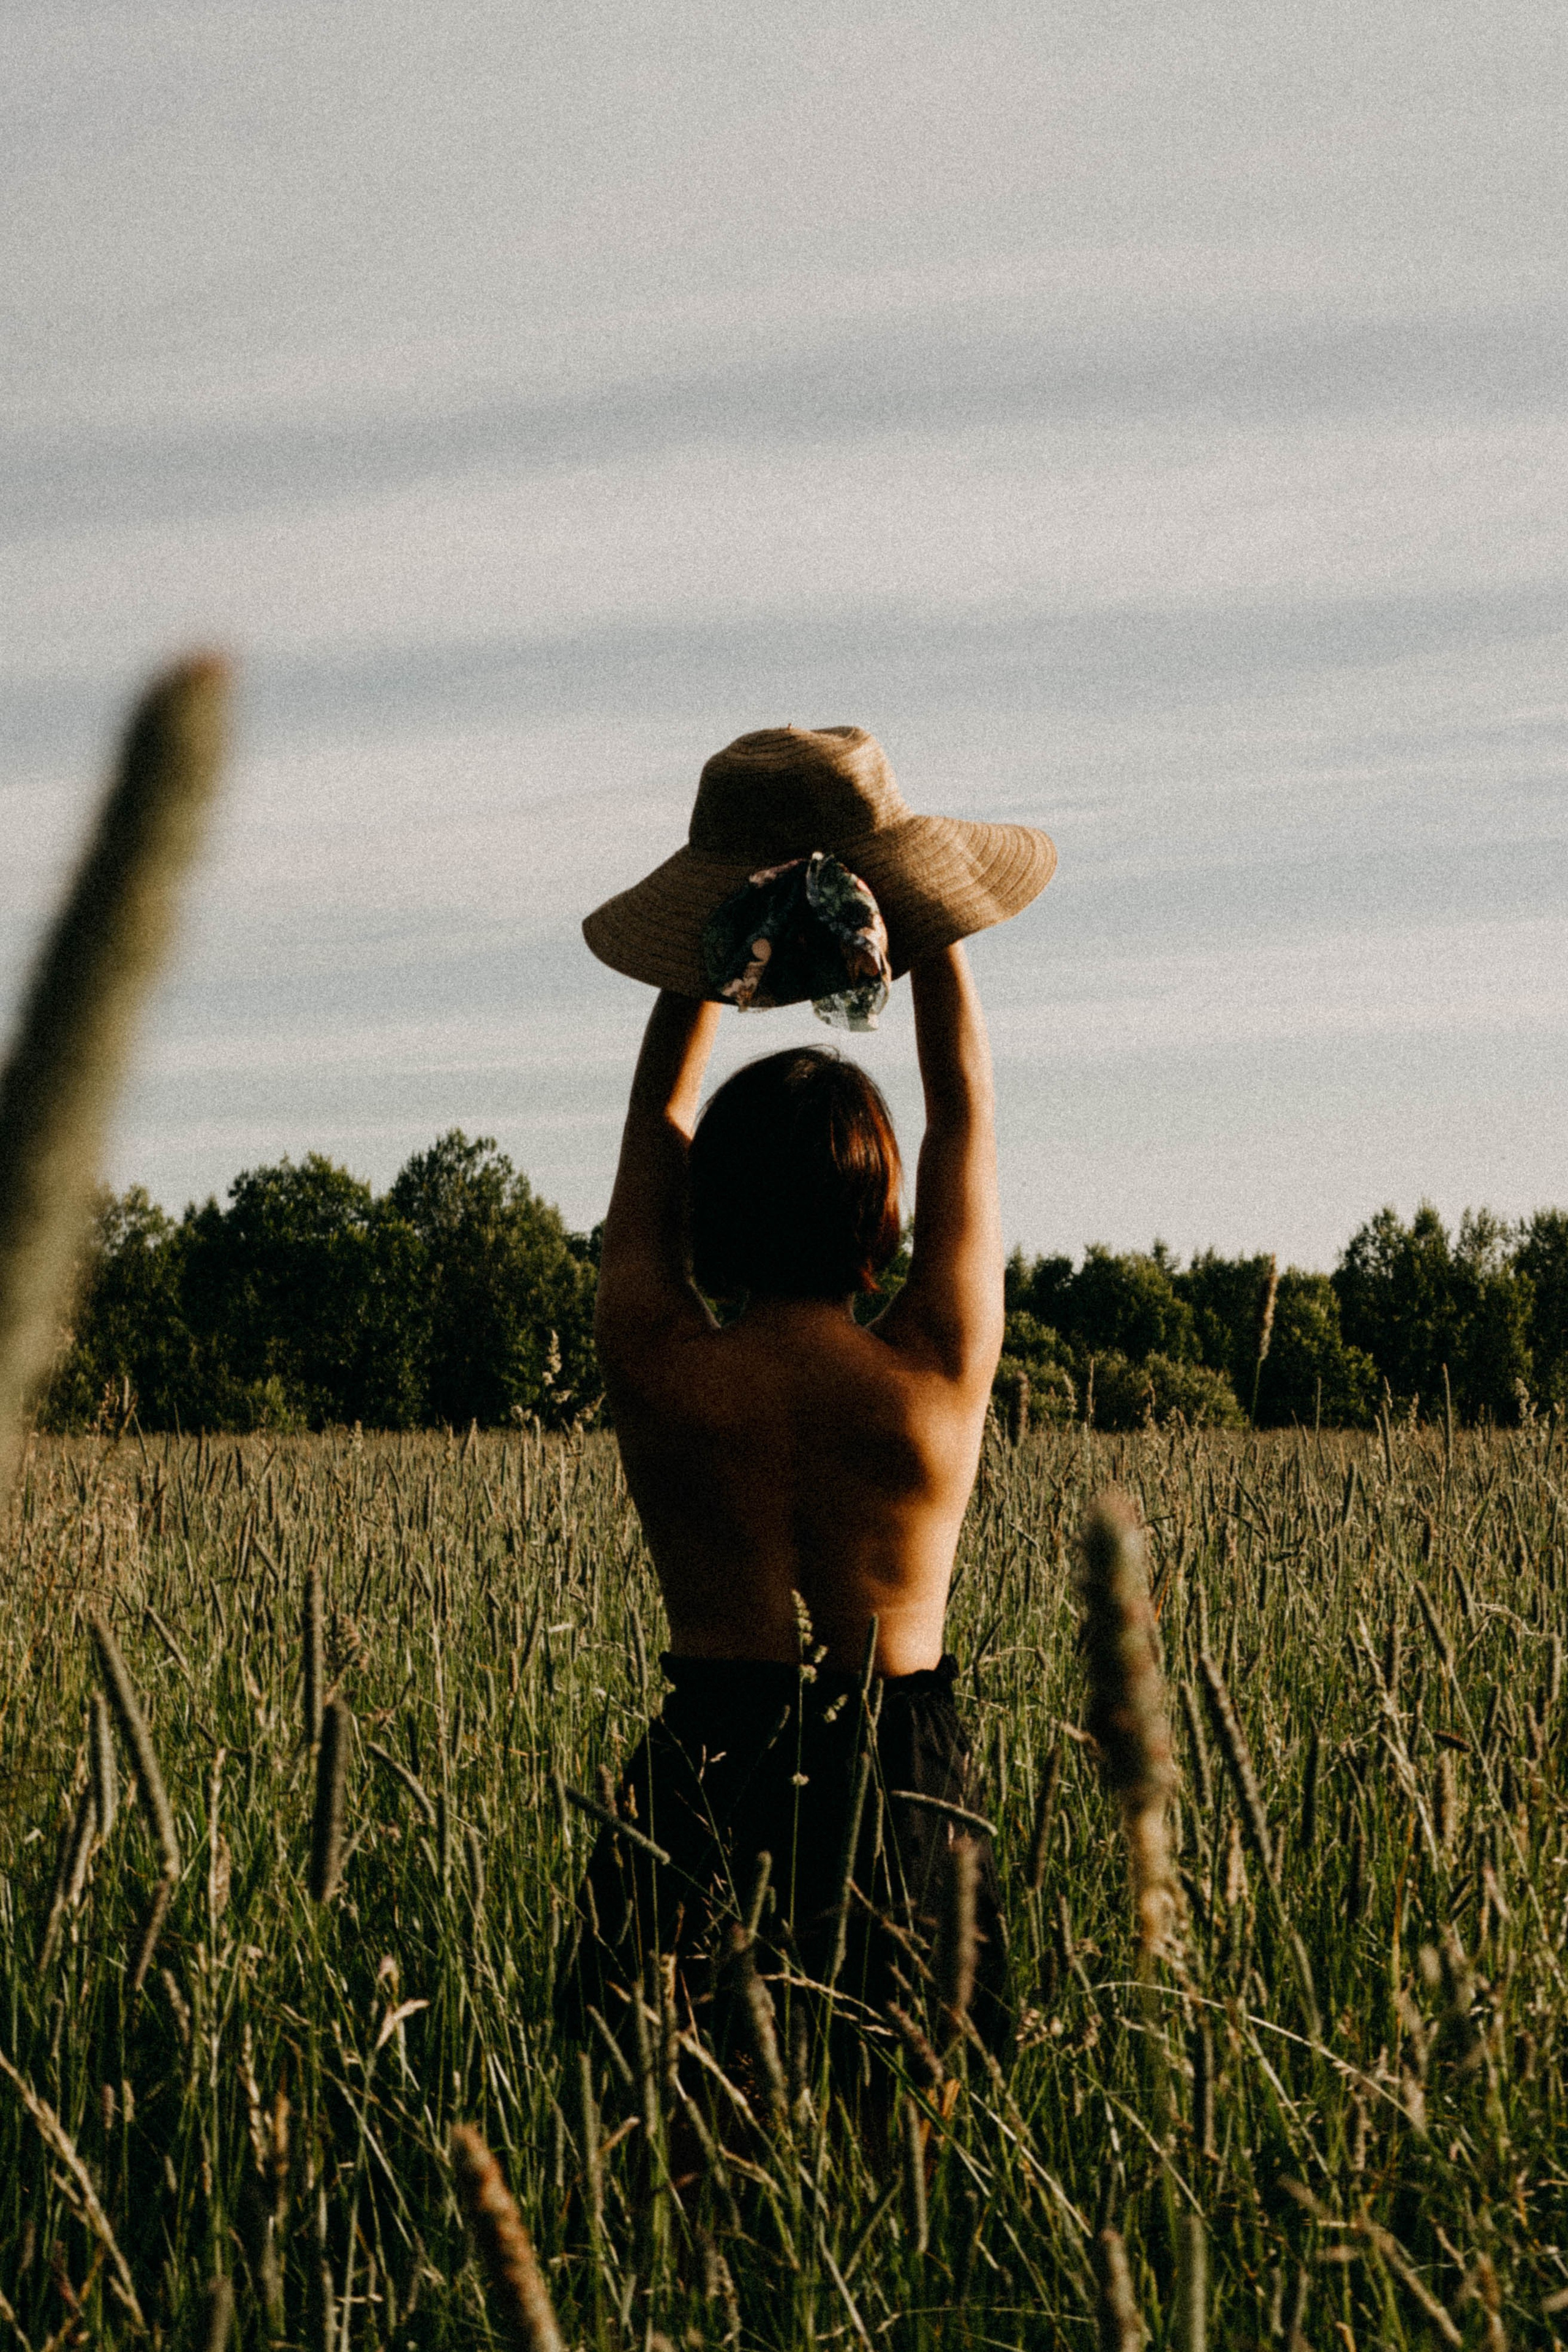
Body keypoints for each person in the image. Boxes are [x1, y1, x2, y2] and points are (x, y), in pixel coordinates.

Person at [559, 725, 1055, 2086]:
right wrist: (927, 918)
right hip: (898, 1789)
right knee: (904, 2183)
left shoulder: (656, 1360)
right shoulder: (931, 1375)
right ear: (880, 1209)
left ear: (706, 1213)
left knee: (662, 2195)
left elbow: (655, 1125)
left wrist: (706, 971)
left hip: (701, 1785)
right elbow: (963, 1110)